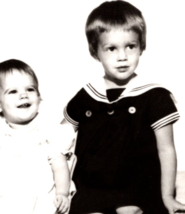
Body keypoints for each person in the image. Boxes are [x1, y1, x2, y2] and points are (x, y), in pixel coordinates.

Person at [62, 1, 185, 214]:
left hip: (136, 185)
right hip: (92, 186)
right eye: (111, 48)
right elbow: (60, 136)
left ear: (142, 46)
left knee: (129, 210)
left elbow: (167, 150)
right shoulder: (87, 95)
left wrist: (167, 195)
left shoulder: (154, 95)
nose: (122, 57)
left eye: (131, 46)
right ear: (95, 52)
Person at [0, 59, 75, 214]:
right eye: (13, 91)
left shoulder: (48, 132)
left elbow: (60, 165)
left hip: (42, 202)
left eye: (30, 89)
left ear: (39, 97)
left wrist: (62, 193)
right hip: (5, 202)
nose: (23, 95)